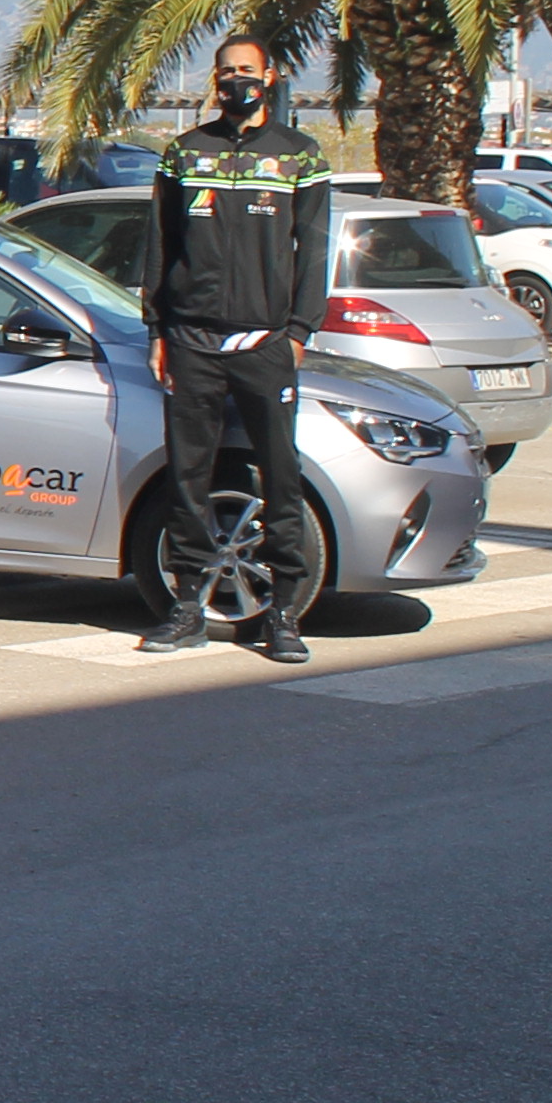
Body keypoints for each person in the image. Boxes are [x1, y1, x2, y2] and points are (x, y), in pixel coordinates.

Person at [138, 36, 333, 661]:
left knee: (281, 473)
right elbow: (159, 247)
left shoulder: (299, 155)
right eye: (226, 73)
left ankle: (283, 614)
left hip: (265, 343)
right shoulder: (184, 152)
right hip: (191, 341)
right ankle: (188, 604)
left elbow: (315, 251)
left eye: (247, 72)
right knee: (188, 475)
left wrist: (299, 331)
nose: (236, 82)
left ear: (270, 77)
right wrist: (158, 330)